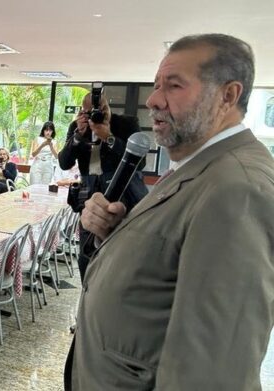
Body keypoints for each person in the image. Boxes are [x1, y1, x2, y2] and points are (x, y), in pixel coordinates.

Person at [65, 34, 274, 390]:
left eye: (174, 86)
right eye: (157, 84)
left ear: (228, 95)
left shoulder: (238, 189)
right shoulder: (197, 166)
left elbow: (212, 374)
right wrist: (117, 232)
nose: (153, 99)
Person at [58, 90, 148, 281]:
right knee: (87, 253)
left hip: (121, 193)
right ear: (84, 112)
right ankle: (88, 294)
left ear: (108, 106)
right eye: (92, 111)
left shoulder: (126, 123)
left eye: (103, 108)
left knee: (119, 252)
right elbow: (64, 162)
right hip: (89, 193)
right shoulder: (77, 126)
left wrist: (109, 137)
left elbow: (140, 163)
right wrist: (77, 137)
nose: (100, 114)